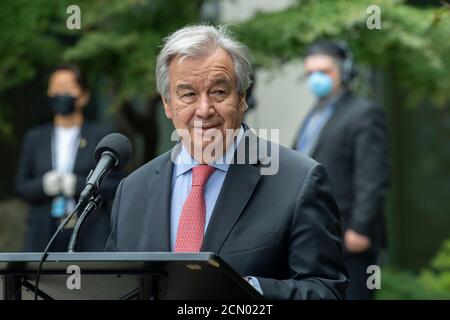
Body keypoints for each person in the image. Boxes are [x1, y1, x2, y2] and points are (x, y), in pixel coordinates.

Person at [105, 25, 348, 299]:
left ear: (242, 98)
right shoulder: (132, 191)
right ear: (168, 104)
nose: (205, 109)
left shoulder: (298, 180)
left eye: (219, 92)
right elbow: (117, 287)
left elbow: (326, 291)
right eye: (188, 95)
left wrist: (244, 289)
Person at [293, 41, 389, 299]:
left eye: (324, 72)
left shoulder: (364, 113)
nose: (316, 79)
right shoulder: (314, 114)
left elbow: (373, 176)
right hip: (317, 234)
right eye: (310, 73)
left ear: (344, 72)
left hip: (351, 238)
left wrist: (361, 228)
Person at [16, 65, 121, 252]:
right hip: (43, 233)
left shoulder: (100, 136)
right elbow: (21, 185)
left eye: (66, 87)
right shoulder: (35, 138)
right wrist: (44, 185)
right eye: (55, 88)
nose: (60, 93)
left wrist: (79, 184)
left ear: (83, 95)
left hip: (90, 230)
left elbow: (115, 184)